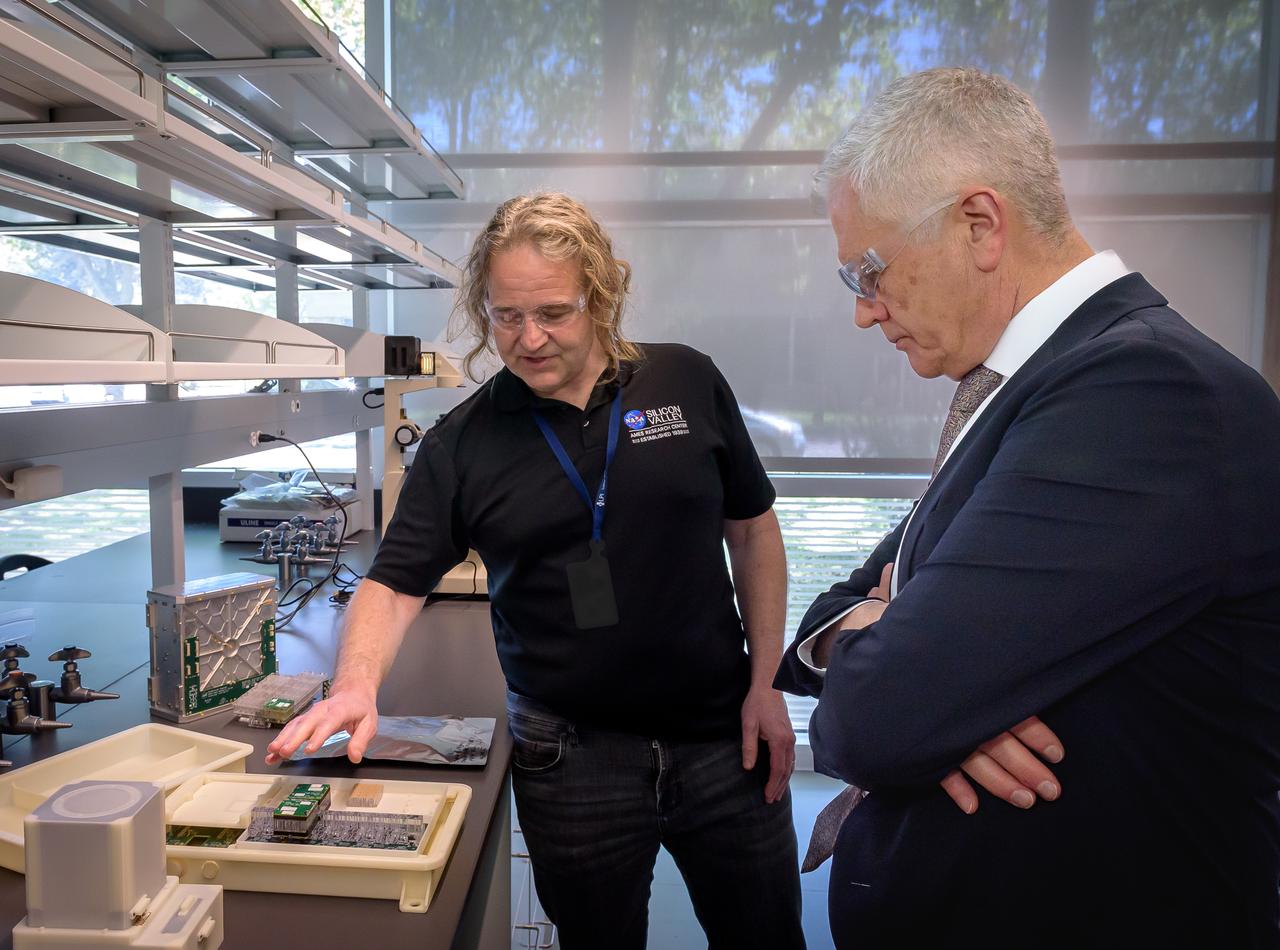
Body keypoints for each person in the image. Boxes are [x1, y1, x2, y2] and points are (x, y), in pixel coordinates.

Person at [775, 67, 1280, 948]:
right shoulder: (1034, 390)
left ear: (980, 224)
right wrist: (892, 652)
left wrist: (926, 699)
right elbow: (834, 618)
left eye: (870, 269)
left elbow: (877, 719)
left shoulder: (1142, 392)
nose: (863, 311)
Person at [268, 191, 806, 948]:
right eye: (505, 316)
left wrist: (768, 684)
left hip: (723, 739)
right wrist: (357, 683)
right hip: (572, 758)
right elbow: (393, 585)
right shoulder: (464, 442)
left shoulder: (686, 382)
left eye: (553, 312)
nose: (528, 339)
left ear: (603, 294)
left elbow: (752, 532)